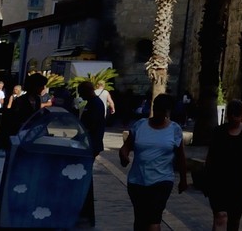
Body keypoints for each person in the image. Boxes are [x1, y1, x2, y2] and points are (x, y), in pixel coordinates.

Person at [119, 93, 187, 231]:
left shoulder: (175, 129)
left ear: (168, 111)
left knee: (153, 219)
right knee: (140, 219)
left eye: (162, 110)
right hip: (137, 181)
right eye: (156, 109)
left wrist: (183, 179)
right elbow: (126, 147)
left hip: (162, 180)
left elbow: (180, 156)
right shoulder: (140, 125)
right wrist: (124, 156)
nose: (158, 113)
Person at [205, 99, 242, 231]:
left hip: (239, 183)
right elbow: (210, 155)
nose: (234, 119)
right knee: (220, 215)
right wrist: (206, 178)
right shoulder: (219, 131)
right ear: (228, 115)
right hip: (218, 181)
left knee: (234, 220)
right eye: (232, 116)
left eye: (238, 116)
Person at [76, 81, 106, 227]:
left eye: (80, 92)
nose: (80, 95)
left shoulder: (96, 104)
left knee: (85, 175)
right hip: (89, 143)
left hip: (91, 144)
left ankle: (85, 210)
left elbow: (91, 125)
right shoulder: (92, 103)